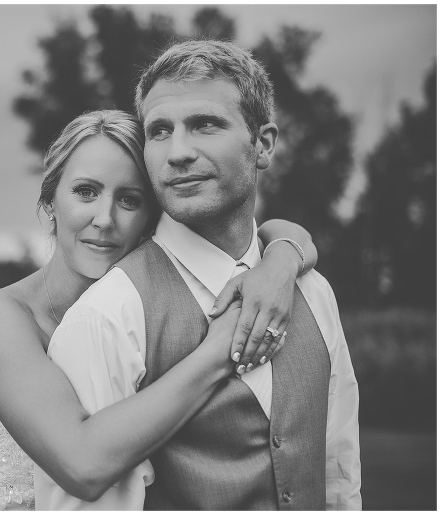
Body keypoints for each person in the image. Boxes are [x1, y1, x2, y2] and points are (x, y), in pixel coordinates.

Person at [37, 40, 361, 510]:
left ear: (263, 144)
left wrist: (285, 255)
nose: (178, 152)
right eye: (160, 131)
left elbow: (339, 471)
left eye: (205, 124)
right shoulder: (108, 316)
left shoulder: (312, 290)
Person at [0, 109, 319, 510]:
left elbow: (274, 233)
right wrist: (220, 351)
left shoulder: (137, 319)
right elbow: (81, 466)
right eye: (86, 192)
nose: (105, 219)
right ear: (50, 200)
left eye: (129, 200)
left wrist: (282, 260)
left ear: (151, 219)